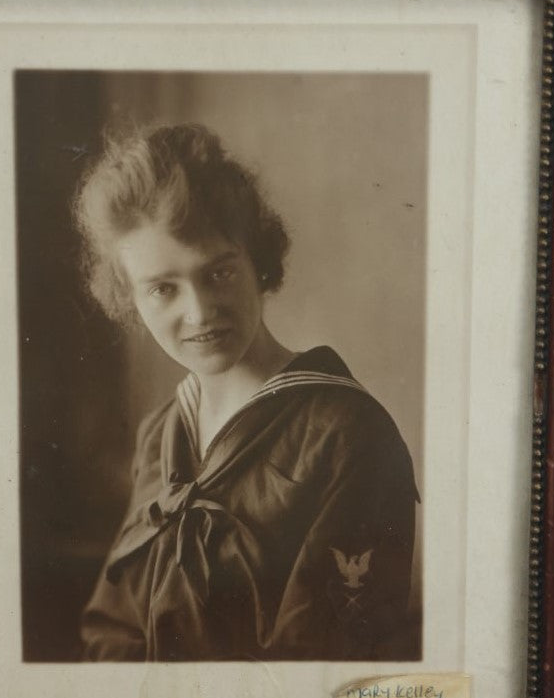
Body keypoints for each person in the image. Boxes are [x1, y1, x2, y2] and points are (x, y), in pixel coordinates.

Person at [73, 123, 418, 662]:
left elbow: (323, 665)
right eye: (163, 288)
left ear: (258, 263)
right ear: (129, 299)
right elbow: (112, 631)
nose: (199, 312)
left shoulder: (348, 433)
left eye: (219, 273)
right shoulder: (160, 435)